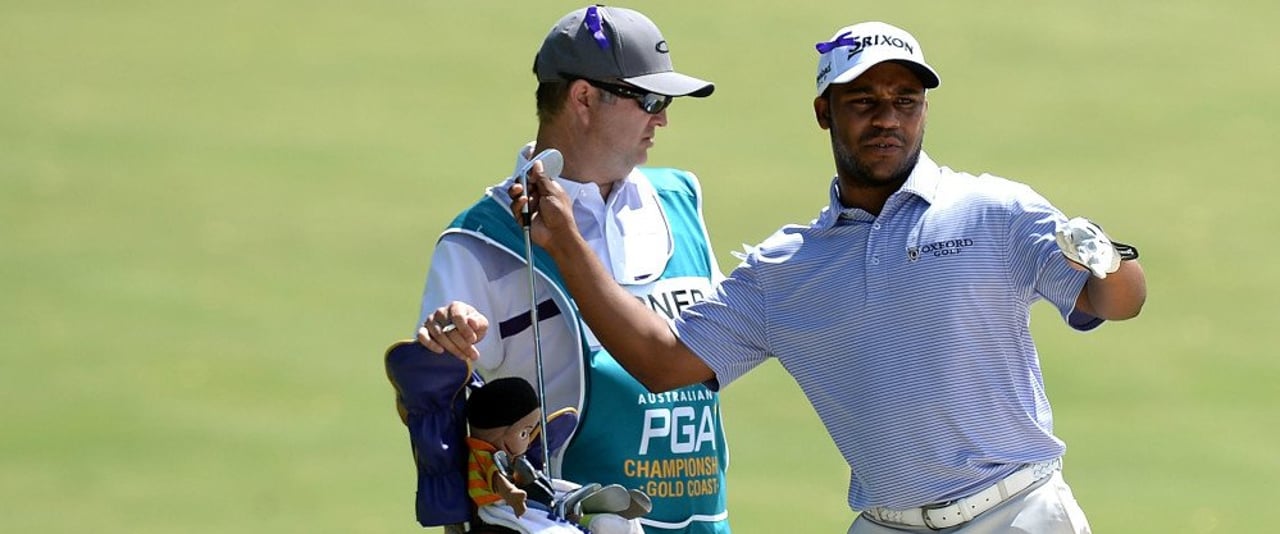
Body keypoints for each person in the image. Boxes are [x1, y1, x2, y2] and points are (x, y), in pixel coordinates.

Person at [474, 20, 1148, 534]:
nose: (888, 118)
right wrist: (564, 243)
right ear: (825, 110)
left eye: (906, 101)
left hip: (1020, 513)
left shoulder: (994, 211)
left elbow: (1116, 301)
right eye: (864, 101)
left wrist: (1109, 259)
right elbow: (659, 361)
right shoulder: (786, 270)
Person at [415, 5, 731, 533]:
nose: (663, 119)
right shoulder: (478, 243)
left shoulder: (683, 200)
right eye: (650, 100)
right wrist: (439, 349)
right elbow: (441, 427)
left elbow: (712, 362)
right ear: (584, 98)